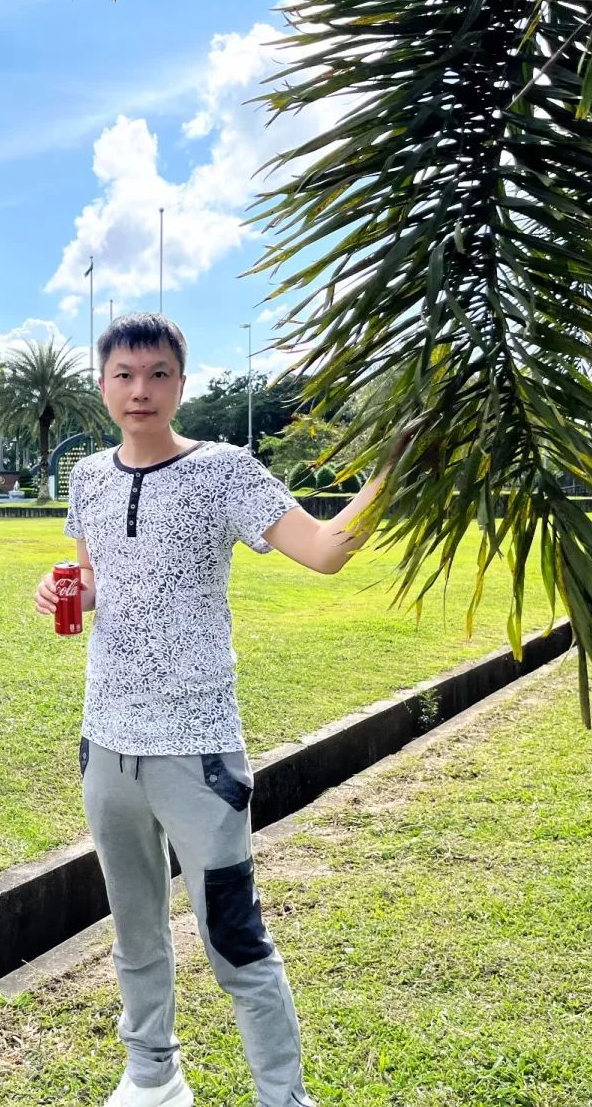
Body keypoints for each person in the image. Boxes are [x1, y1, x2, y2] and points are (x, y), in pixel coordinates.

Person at [34, 313, 410, 1107]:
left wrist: (396, 469)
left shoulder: (225, 471)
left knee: (234, 936)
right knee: (135, 930)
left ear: (181, 382)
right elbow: (96, 578)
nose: (141, 390)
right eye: (125, 375)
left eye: (158, 374)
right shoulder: (87, 477)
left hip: (197, 750)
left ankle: (283, 1098)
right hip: (106, 745)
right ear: (102, 385)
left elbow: (326, 551)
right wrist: (66, 589)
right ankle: (153, 1076)